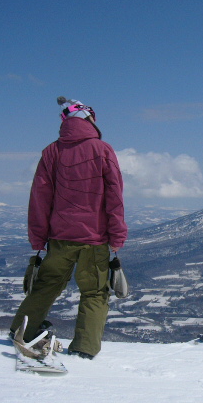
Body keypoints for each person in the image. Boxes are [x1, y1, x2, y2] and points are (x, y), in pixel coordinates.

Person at [10, 96, 127, 360]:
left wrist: (38, 238)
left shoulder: (51, 152)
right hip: (94, 239)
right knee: (95, 292)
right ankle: (84, 350)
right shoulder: (103, 150)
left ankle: (20, 331)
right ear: (90, 120)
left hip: (59, 238)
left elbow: (40, 198)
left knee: (46, 285)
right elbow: (115, 197)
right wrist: (117, 236)